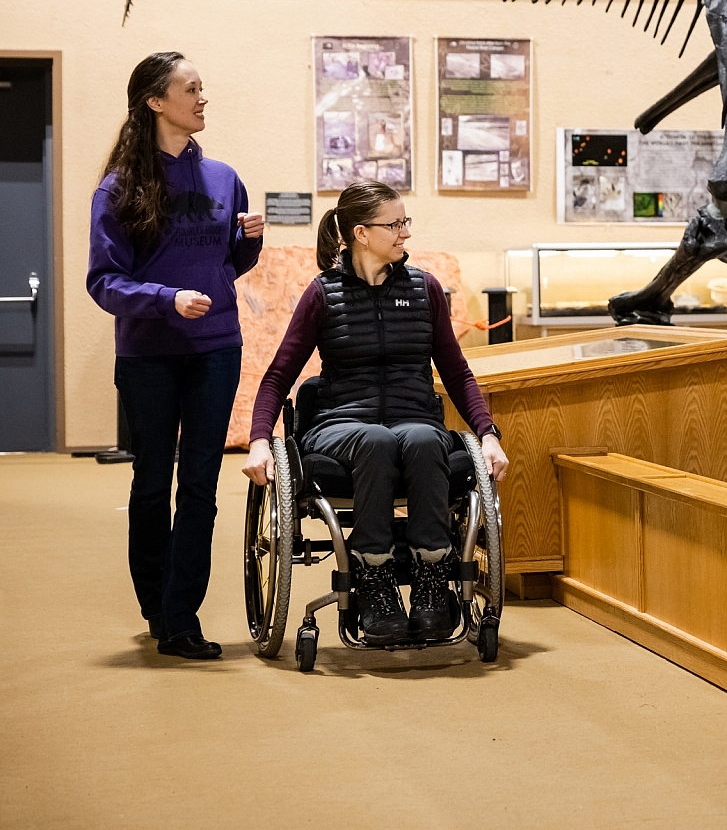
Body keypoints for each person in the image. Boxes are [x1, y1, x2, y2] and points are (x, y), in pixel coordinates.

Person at [244, 180, 509, 645]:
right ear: (362, 233)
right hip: (340, 423)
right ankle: (375, 580)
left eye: (405, 222)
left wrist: (487, 433)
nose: (405, 233)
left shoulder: (425, 289)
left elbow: (456, 372)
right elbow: (277, 376)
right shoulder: (323, 294)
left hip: (414, 419)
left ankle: (431, 578)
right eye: (396, 223)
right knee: (376, 440)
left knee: (426, 439)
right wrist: (260, 440)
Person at [88, 52, 264, 661]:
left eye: (202, 87)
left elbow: (229, 266)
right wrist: (166, 298)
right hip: (149, 354)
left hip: (216, 347)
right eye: (191, 89)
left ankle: (182, 617)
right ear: (155, 102)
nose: (202, 97)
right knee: (151, 480)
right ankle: (156, 607)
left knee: (200, 486)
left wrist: (251, 243)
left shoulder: (223, 176)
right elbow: (104, 282)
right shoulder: (119, 186)